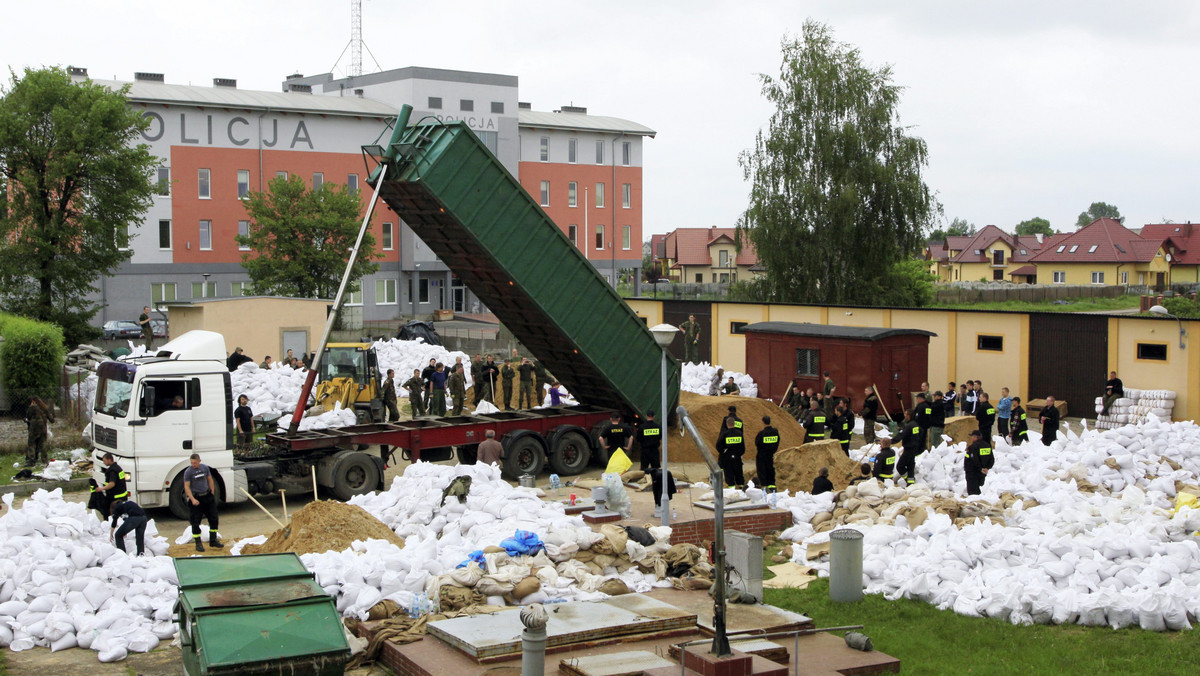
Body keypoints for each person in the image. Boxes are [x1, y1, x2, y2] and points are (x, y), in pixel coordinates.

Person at [183, 453, 222, 551]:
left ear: (199, 461)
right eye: (192, 463)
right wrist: (192, 499)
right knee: (195, 522)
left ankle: (213, 540)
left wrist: (212, 491)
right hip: (196, 499)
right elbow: (186, 486)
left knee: (214, 519)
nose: (193, 465)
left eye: (195, 463)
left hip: (207, 497)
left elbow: (210, 479)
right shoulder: (188, 472)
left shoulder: (205, 468)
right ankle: (198, 543)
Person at [894, 409, 923, 485]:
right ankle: (911, 483)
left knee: (900, 466)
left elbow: (901, 435)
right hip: (914, 448)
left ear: (909, 416)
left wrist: (891, 441)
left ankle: (907, 479)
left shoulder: (909, 426)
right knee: (910, 467)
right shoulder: (915, 425)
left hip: (908, 449)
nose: (904, 416)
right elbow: (920, 433)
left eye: (905, 415)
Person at [714, 417, 745, 488]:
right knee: (739, 474)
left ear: (727, 424)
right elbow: (743, 447)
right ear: (734, 424)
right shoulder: (739, 434)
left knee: (729, 475)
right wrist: (739, 454)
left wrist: (723, 452)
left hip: (727, 458)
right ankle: (741, 488)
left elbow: (718, 445)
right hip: (737, 458)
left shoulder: (724, 434)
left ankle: (731, 489)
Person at [24, 396, 54, 466]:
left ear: (32, 401)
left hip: (34, 428)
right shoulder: (44, 407)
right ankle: (45, 459)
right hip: (43, 428)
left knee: (32, 444)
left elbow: (28, 417)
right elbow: (52, 420)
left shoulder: (32, 407)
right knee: (43, 443)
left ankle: (31, 460)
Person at [964, 430, 994, 496]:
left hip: (972, 472)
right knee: (978, 488)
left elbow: (974, 459)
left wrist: (980, 468)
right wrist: (987, 468)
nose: (971, 438)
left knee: (973, 492)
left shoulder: (973, 447)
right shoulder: (987, 445)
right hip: (982, 472)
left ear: (975, 437)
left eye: (972, 436)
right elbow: (991, 459)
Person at [754, 415, 780, 490]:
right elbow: (777, 441)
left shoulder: (762, 433)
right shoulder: (775, 432)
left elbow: (757, 443)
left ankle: (764, 486)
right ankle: (772, 485)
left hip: (762, 455)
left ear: (763, 422)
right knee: (770, 469)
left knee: (762, 470)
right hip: (771, 454)